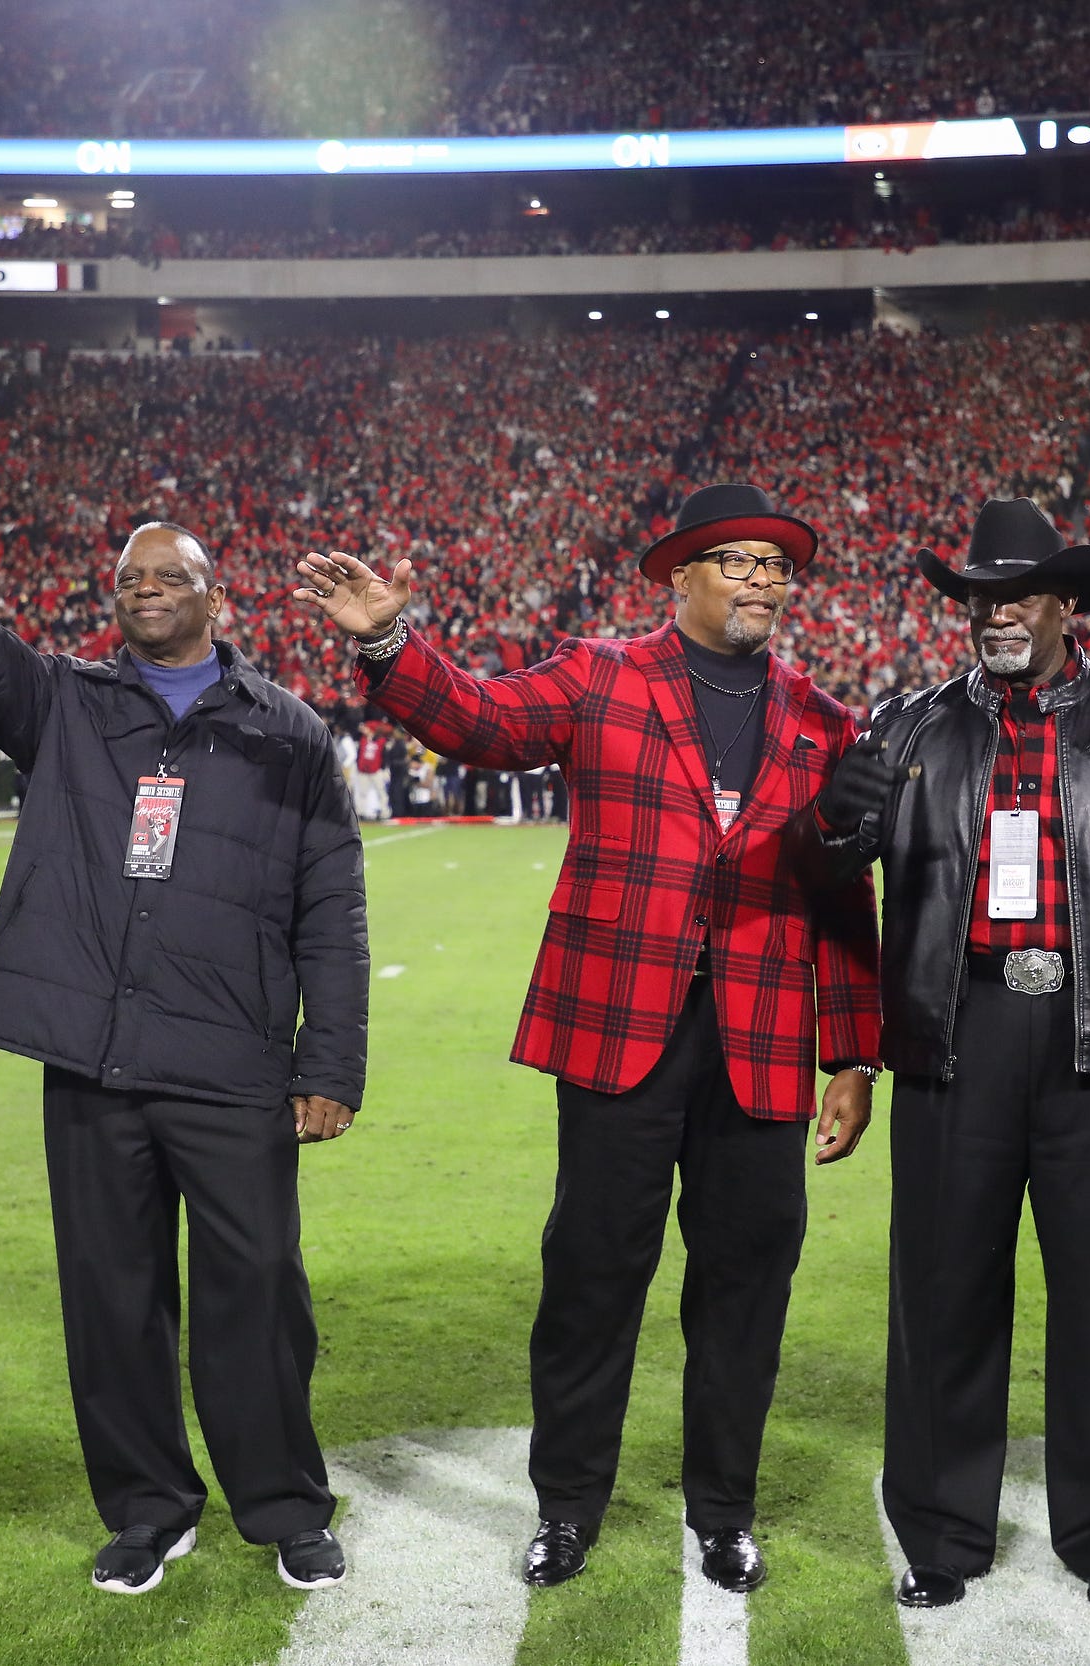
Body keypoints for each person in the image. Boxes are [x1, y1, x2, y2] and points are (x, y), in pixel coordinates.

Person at [291, 482, 880, 1596]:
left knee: (748, 1281)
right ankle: (567, 1505)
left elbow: (843, 895)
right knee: (592, 1276)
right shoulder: (603, 669)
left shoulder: (820, 715)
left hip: (762, 1036)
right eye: (735, 561)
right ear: (679, 578)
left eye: (774, 565)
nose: (760, 580)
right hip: (622, 1026)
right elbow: (483, 721)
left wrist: (850, 1052)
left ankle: (724, 1510)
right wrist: (387, 642)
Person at [0, 406, 366, 1599]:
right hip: (92, 1056)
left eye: (169, 574)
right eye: (130, 575)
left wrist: (329, 1065)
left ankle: (285, 1502)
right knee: (112, 1298)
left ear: (212, 593)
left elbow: (330, 910)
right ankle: (146, 1507)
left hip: (235, 1061)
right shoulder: (67, 703)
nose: (146, 588)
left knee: (258, 1292)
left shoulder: (287, 731)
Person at [801, 497, 1090, 1615]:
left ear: (1066, 604)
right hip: (958, 1033)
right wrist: (828, 820)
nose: (993, 612)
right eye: (976, 596)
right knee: (944, 1292)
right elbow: (828, 882)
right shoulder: (905, 723)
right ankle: (943, 1530)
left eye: (1016, 593)